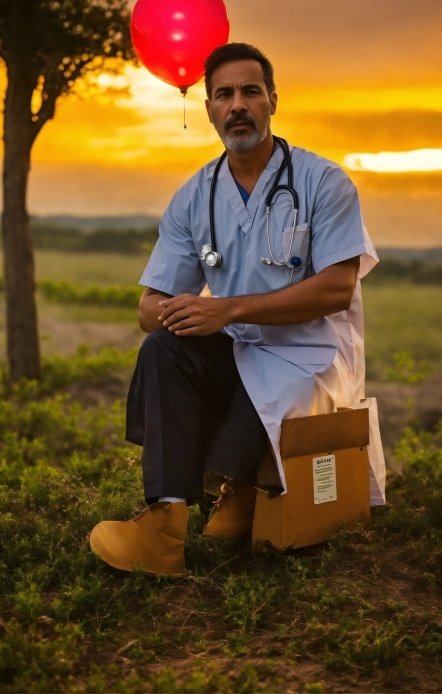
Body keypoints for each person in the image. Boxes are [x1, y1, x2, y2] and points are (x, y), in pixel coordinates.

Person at [89, 42, 385, 576]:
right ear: (207, 108)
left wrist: (225, 310)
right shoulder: (194, 197)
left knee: (275, 385)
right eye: (223, 94)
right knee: (162, 350)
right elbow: (148, 307)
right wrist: (177, 315)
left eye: (251, 91)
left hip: (311, 356)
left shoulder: (323, 182)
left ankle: (241, 487)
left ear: (273, 100)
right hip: (242, 349)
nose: (237, 105)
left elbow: (337, 289)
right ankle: (164, 529)